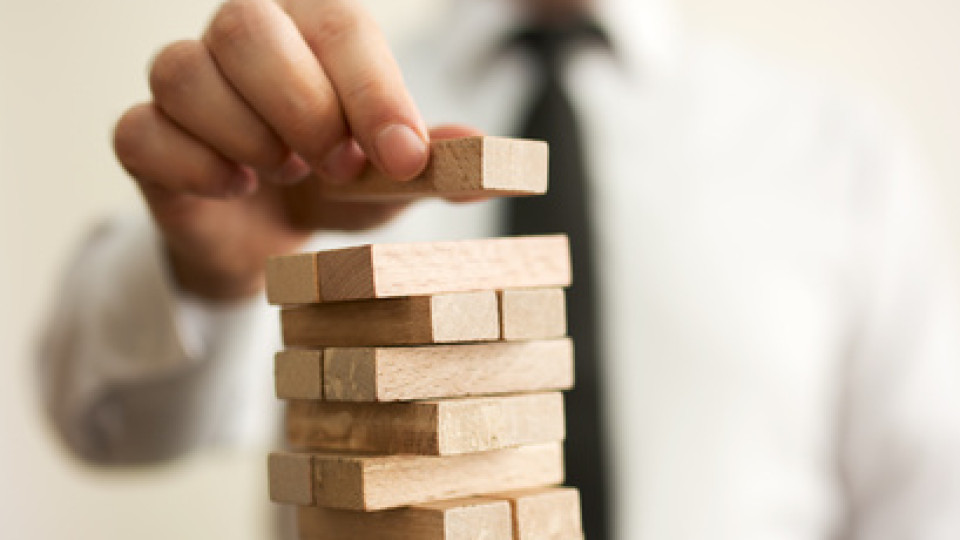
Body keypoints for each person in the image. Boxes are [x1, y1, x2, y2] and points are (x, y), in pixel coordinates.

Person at [38, 0, 960, 538]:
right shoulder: (315, 119)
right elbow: (104, 423)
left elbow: (925, 502)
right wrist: (210, 270)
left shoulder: (841, 149)